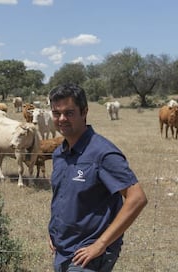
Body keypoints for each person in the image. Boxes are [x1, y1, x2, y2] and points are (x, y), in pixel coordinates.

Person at [47, 84, 148, 272]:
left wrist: (101, 244)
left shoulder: (102, 153)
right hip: (63, 249)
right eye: (56, 113)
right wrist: (54, 232)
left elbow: (137, 198)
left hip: (88, 254)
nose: (62, 119)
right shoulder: (60, 154)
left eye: (69, 113)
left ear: (84, 112)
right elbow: (64, 197)